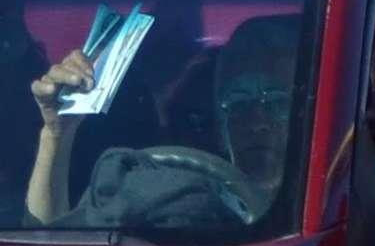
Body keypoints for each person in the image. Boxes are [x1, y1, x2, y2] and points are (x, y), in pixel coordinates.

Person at [25, 16, 298, 228]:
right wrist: (56, 134)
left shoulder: (320, 219)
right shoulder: (176, 202)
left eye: (276, 101)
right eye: (238, 102)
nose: (256, 121)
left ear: (303, 111)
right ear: (219, 123)